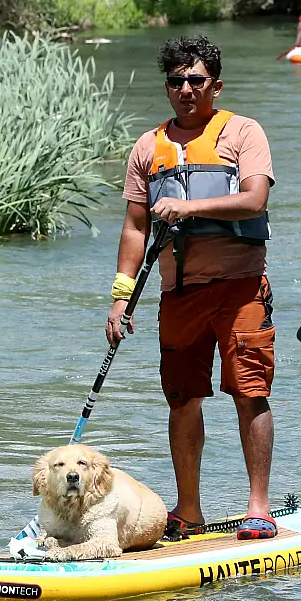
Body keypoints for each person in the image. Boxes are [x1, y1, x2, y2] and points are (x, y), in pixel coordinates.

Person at [109, 36, 279, 542]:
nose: (185, 89)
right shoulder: (147, 147)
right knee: (181, 399)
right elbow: (135, 229)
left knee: (250, 394)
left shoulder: (243, 133)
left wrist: (189, 209)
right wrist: (120, 298)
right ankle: (188, 510)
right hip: (178, 294)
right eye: (176, 81)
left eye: (196, 80)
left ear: (216, 85)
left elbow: (253, 200)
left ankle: (258, 507)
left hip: (240, 289)